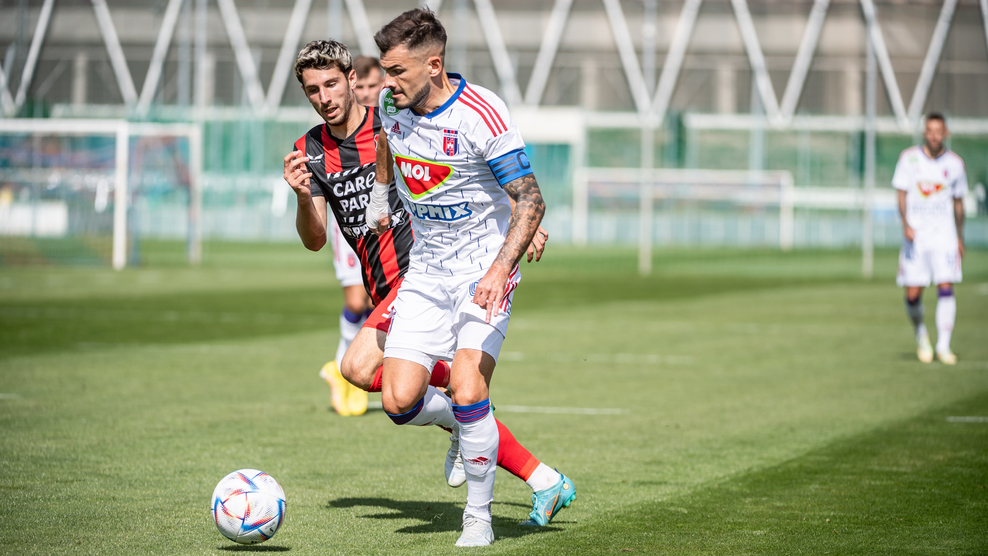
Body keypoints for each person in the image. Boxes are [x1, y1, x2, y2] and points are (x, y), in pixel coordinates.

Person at [282, 39, 574, 538]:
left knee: (357, 367)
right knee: (423, 394)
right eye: (313, 90)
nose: (324, 97)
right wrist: (301, 197)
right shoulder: (310, 150)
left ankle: (477, 442)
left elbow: (463, 170)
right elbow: (314, 241)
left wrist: (522, 218)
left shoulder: (396, 120)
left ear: (353, 81)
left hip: (421, 273)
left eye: (332, 84)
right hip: (383, 286)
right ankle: (541, 477)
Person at [365, 9, 571, 547]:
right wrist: (381, 199)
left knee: (467, 386)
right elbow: (386, 142)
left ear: (434, 65)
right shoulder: (391, 104)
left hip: (483, 272)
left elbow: (531, 198)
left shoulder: (482, 112)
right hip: (426, 272)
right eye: (385, 70)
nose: (387, 82)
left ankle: (477, 519)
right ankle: (464, 427)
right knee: (398, 402)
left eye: (397, 71)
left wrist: (502, 266)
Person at [318, 55, 385, 417]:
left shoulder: (389, 122)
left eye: (375, 86)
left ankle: (349, 366)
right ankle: (341, 366)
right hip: (350, 227)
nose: (368, 92)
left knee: (377, 301)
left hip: (386, 229)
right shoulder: (336, 134)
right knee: (357, 302)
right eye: (364, 87)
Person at [893, 112, 967, 365]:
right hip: (916, 237)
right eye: (930, 131)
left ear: (945, 133)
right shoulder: (908, 159)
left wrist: (960, 237)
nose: (935, 136)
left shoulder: (955, 164)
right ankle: (921, 334)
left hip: (944, 236)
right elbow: (901, 193)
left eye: (939, 131)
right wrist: (906, 224)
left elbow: (959, 203)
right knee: (913, 293)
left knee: (945, 286)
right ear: (924, 132)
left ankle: (943, 346)